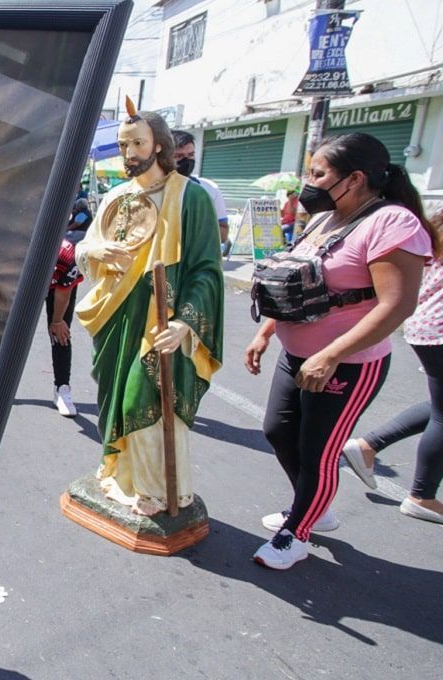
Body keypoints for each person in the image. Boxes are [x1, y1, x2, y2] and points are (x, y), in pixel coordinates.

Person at [244, 132, 432, 569]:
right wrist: (266, 332)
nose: (308, 181)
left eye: (318, 173)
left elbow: (397, 304)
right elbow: (297, 282)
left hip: (346, 365)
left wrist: (330, 355)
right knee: (277, 431)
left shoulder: (392, 223)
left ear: (354, 178)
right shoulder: (324, 219)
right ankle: (315, 507)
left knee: (318, 451)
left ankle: (298, 531)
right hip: (297, 356)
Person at [74, 108, 224, 517]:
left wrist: (184, 323)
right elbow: (86, 248)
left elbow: (207, 272)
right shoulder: (116, 196)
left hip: (161, 319)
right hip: (116, 315)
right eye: (124, 144)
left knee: (145, 398)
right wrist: (98, 252)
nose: (129, 151)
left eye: (137, 143)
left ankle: (159, 491)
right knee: (113, 399)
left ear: (159, 144)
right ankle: (121, 476)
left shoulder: (190, 198)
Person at [340, 210, 443, 523]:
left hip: (427, 325)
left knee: (439, 405)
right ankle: (422, 495)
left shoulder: (435, 224)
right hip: (437, 329)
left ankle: (368, 445)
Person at [172, 130, 230, 252]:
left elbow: (223, 233)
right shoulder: (152, 189)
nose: (186, 161)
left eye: (191, 155)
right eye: (179, 156)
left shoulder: (208, 188)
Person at [49, 237, 83, 417]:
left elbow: (64, 292)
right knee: (7, 329)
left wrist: (57, 321)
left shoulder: (68, 255)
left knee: (60, 332)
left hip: (59, 284)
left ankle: (62, 387)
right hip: (21, 278)